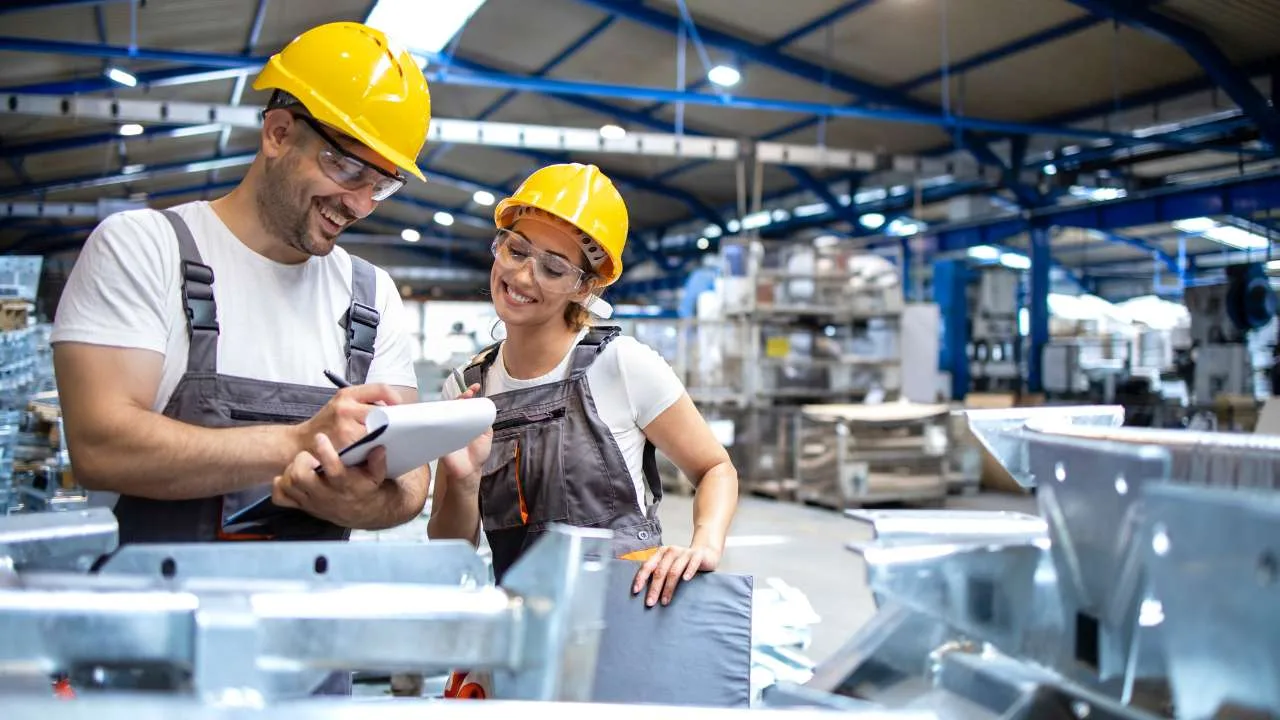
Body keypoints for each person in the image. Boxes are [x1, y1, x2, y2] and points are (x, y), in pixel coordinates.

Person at [50, 21, 433, 550]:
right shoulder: (145, 247)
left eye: (382, 185)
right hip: (157, 618)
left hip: (309, 620)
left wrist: (362, 502)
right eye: (346, 168)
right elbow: (100, 447)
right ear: (277, 133)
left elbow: (411, 480)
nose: (360, 204)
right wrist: (296, 443)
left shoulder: (370, 294)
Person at [427, 163, 740, 611]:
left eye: (553, 268)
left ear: (584, 287)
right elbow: (449, 552)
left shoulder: (621, 365)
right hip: (526, 636)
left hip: (631, 622)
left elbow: (715, 469)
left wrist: (704, 545)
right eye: (516, 251)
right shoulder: (468, 388)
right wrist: (462, 481)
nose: (521, 277)